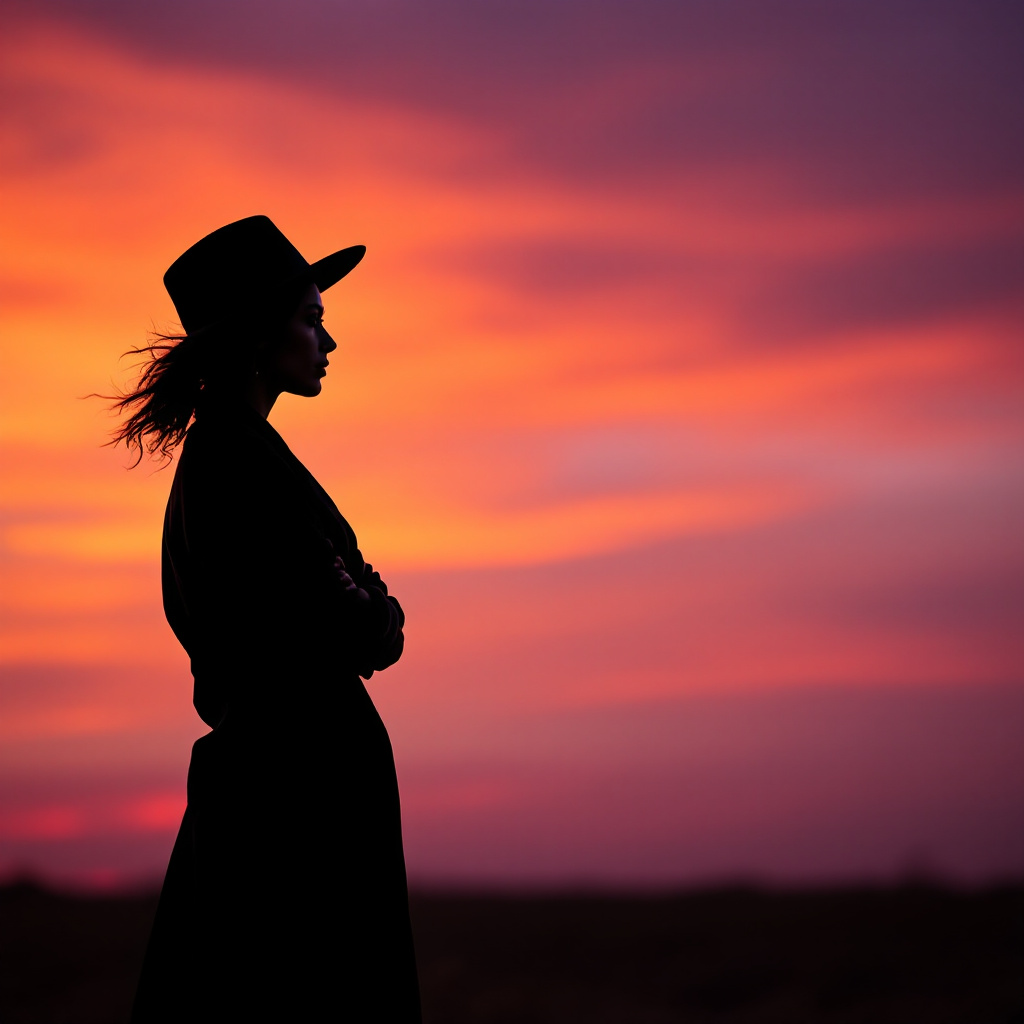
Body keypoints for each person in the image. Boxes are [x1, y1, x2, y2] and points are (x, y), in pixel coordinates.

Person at [110, 216, 421, 1021]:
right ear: (258, 334)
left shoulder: (229, 456)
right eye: (313, 317)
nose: (330, 339)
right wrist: (375, 606)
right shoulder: (240, 464)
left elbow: (342, 594)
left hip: (275, 782)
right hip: (298, 794)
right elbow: (364, 627)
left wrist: (361, 596)